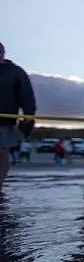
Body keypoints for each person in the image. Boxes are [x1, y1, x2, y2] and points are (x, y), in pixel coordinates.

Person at [0, 42, 36, 190]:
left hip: (4, 121)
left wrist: (28, 119)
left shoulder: (15, 72)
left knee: (1, 154)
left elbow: (27, 96)